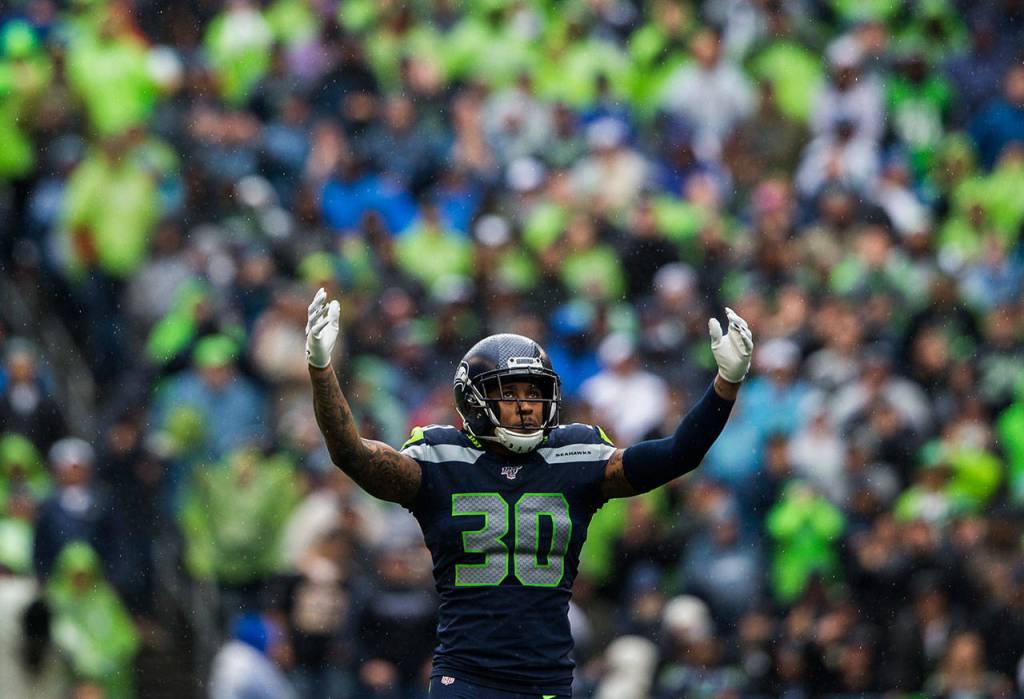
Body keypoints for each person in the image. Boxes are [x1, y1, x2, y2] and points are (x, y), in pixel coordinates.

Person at [305, 287, 754, 698]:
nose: (525, 404)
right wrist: (323, 371)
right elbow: (352, 454)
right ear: (472, 400)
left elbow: (678, 454)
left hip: (547, 677)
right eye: (510, 392)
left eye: (534, 392)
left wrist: (724, 386)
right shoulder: (440, 457)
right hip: (465, 676)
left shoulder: (574, 456)